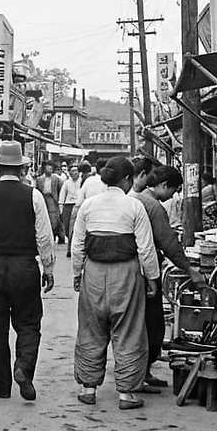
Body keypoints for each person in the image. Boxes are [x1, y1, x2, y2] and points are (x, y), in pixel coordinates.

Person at [0, 141, 56, 401]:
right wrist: (48, 268)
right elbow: (45, 238)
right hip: (25, 267)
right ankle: (23, 367)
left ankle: (1, 386)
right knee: (29, 323)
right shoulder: (34, 196)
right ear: (22, 168)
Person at [70, 156, 160, 410]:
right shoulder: (134, 206)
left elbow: (77, 245)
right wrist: (152, 277)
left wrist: (77, 273)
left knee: (91, 329)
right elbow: (146, 248)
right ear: (127, 179)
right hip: (126, 274)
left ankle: (88, 389)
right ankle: (126, 394)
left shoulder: (89, 206)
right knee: (129, 331)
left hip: (94, 272)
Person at [134, 164, 205, 389]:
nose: (173, 196)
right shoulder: (154, 207)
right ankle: (141, 374)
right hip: (146, 271)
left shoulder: (134, 198)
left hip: (130, 270)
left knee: (136, 324)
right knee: (152, 324)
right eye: (173, 190)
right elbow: (169, 243)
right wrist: (190, 270)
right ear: (164, 185)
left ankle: (139, 374)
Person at [34, 162, 65, 244]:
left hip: (53, 199)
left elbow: (61, 189)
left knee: (54, 218)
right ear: (44, 169)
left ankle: (56, 234)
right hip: (44, 199)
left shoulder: (56, 179)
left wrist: (59, 200)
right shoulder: (40, 179)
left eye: (51, 169)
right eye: (48, 168)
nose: (50, 170)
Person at [58, 164, 83, 258]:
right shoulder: (67, 183)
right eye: (72, 171)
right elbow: (62, 195)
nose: (74, 173)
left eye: (76, 170)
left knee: (76, 228)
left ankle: (73, 249)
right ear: (69, 172)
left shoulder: (82, 182)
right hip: (68, 206)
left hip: (78, 205)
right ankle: (70, 247)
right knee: (68, 228)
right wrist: (61, 208)